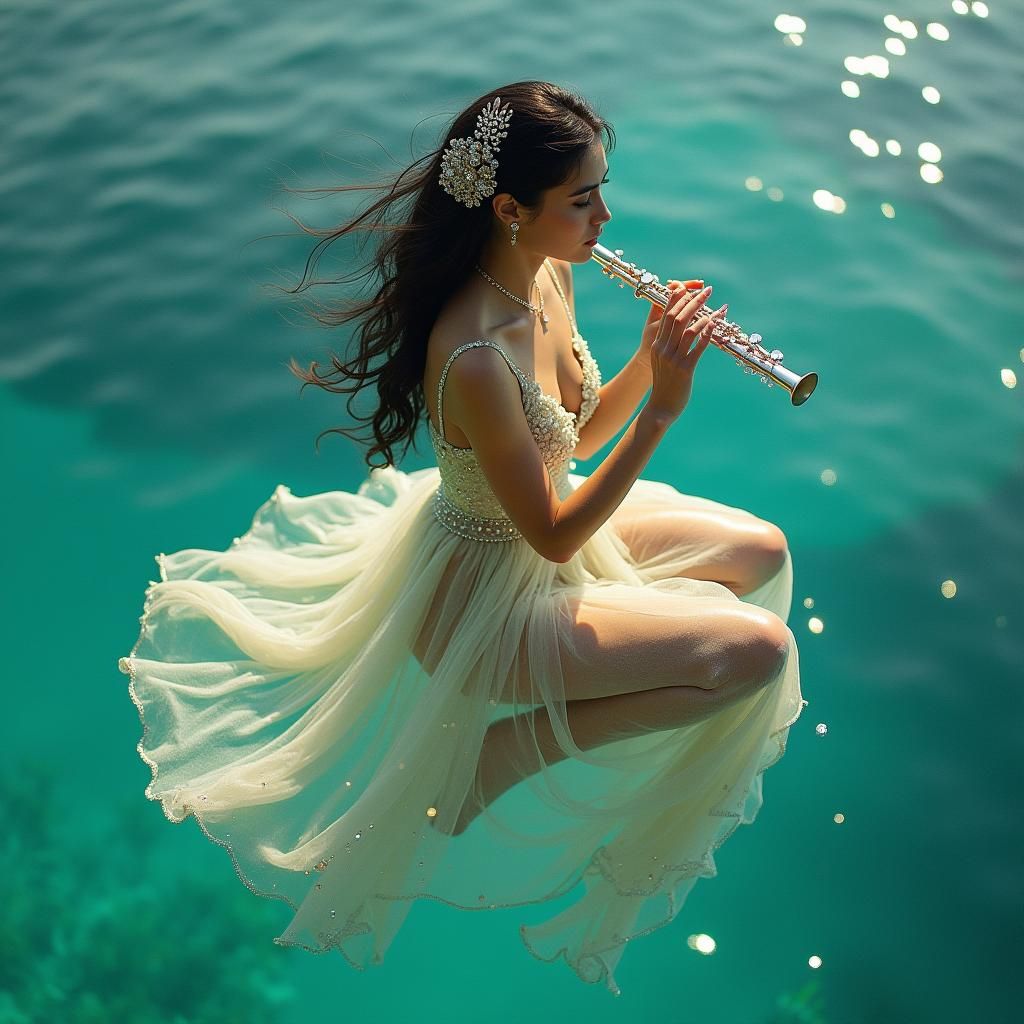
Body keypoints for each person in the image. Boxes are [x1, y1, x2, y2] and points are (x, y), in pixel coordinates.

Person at [117, 80, 806, 996]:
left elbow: (576, 433)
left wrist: (650, 355)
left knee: (765, 551)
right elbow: (555, 535)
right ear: (510, 208)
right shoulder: (477, 355)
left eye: (602, 187)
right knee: (756, 654)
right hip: (484, 600)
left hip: (533, 534)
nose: (605, 214)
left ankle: (626, 660)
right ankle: (512, 750)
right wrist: (665, 412)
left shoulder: (547, 271)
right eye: (583, 198)